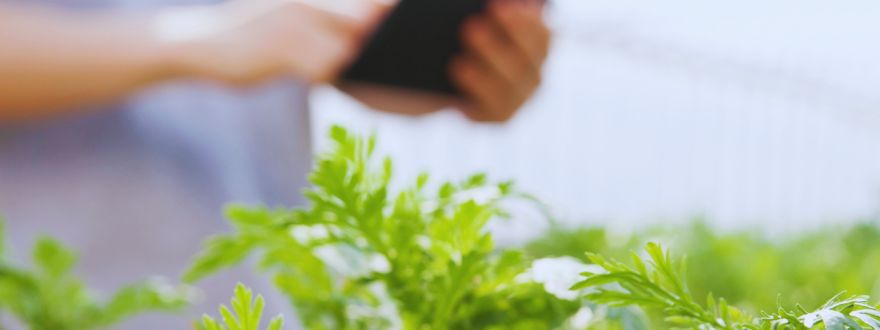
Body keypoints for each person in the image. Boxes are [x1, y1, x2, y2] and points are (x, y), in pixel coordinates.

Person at [0, 0, 551, 327]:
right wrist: (187, 44)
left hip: (256, 297)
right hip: (55, 296)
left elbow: (301, 40)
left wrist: (460, 63)